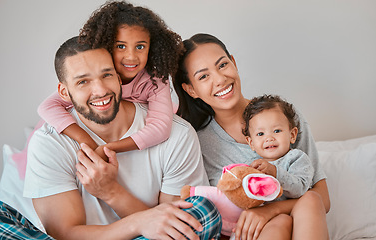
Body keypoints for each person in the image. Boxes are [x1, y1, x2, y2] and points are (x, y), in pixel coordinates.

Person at [22, 36, 221, 240]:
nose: (100, 90)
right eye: (83, 81)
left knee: (203, 213)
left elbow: (176, 230)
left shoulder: (177, 136)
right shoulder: (49, 142)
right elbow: (64, 234)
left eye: (106, 75)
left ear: (119, 78)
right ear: (64, 92)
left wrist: (111, 192)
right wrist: (139, 222)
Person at [173, 33, 330, 240]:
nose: (220, 79)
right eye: (204, 76)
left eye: (222, 65)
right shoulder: (196, 142)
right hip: (249, 234)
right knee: (281, 222)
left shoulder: (282, 117)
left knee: (302, 205)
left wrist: (269, 211)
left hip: (302, 223)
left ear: (234, 63)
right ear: (191, 90)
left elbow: (322, 199)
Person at [36, 1, 182, 160]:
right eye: (121, 46)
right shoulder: (95, 81)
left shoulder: (155, 80)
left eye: (140, 47)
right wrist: (88, 142)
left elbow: (160, 128)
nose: (131, 56)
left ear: (152, 47)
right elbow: (47, 106)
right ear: (106, 45)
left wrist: (109, 148)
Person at [242, 94, 314, 201]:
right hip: (264, 215)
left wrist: (275, 172)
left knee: (283, 219)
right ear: (251, 143)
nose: (269, 138)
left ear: (292, 135)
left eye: (277, 131)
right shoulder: (253, 166)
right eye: (261, 134)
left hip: (293, 211)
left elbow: (301, 189)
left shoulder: (296, 158)